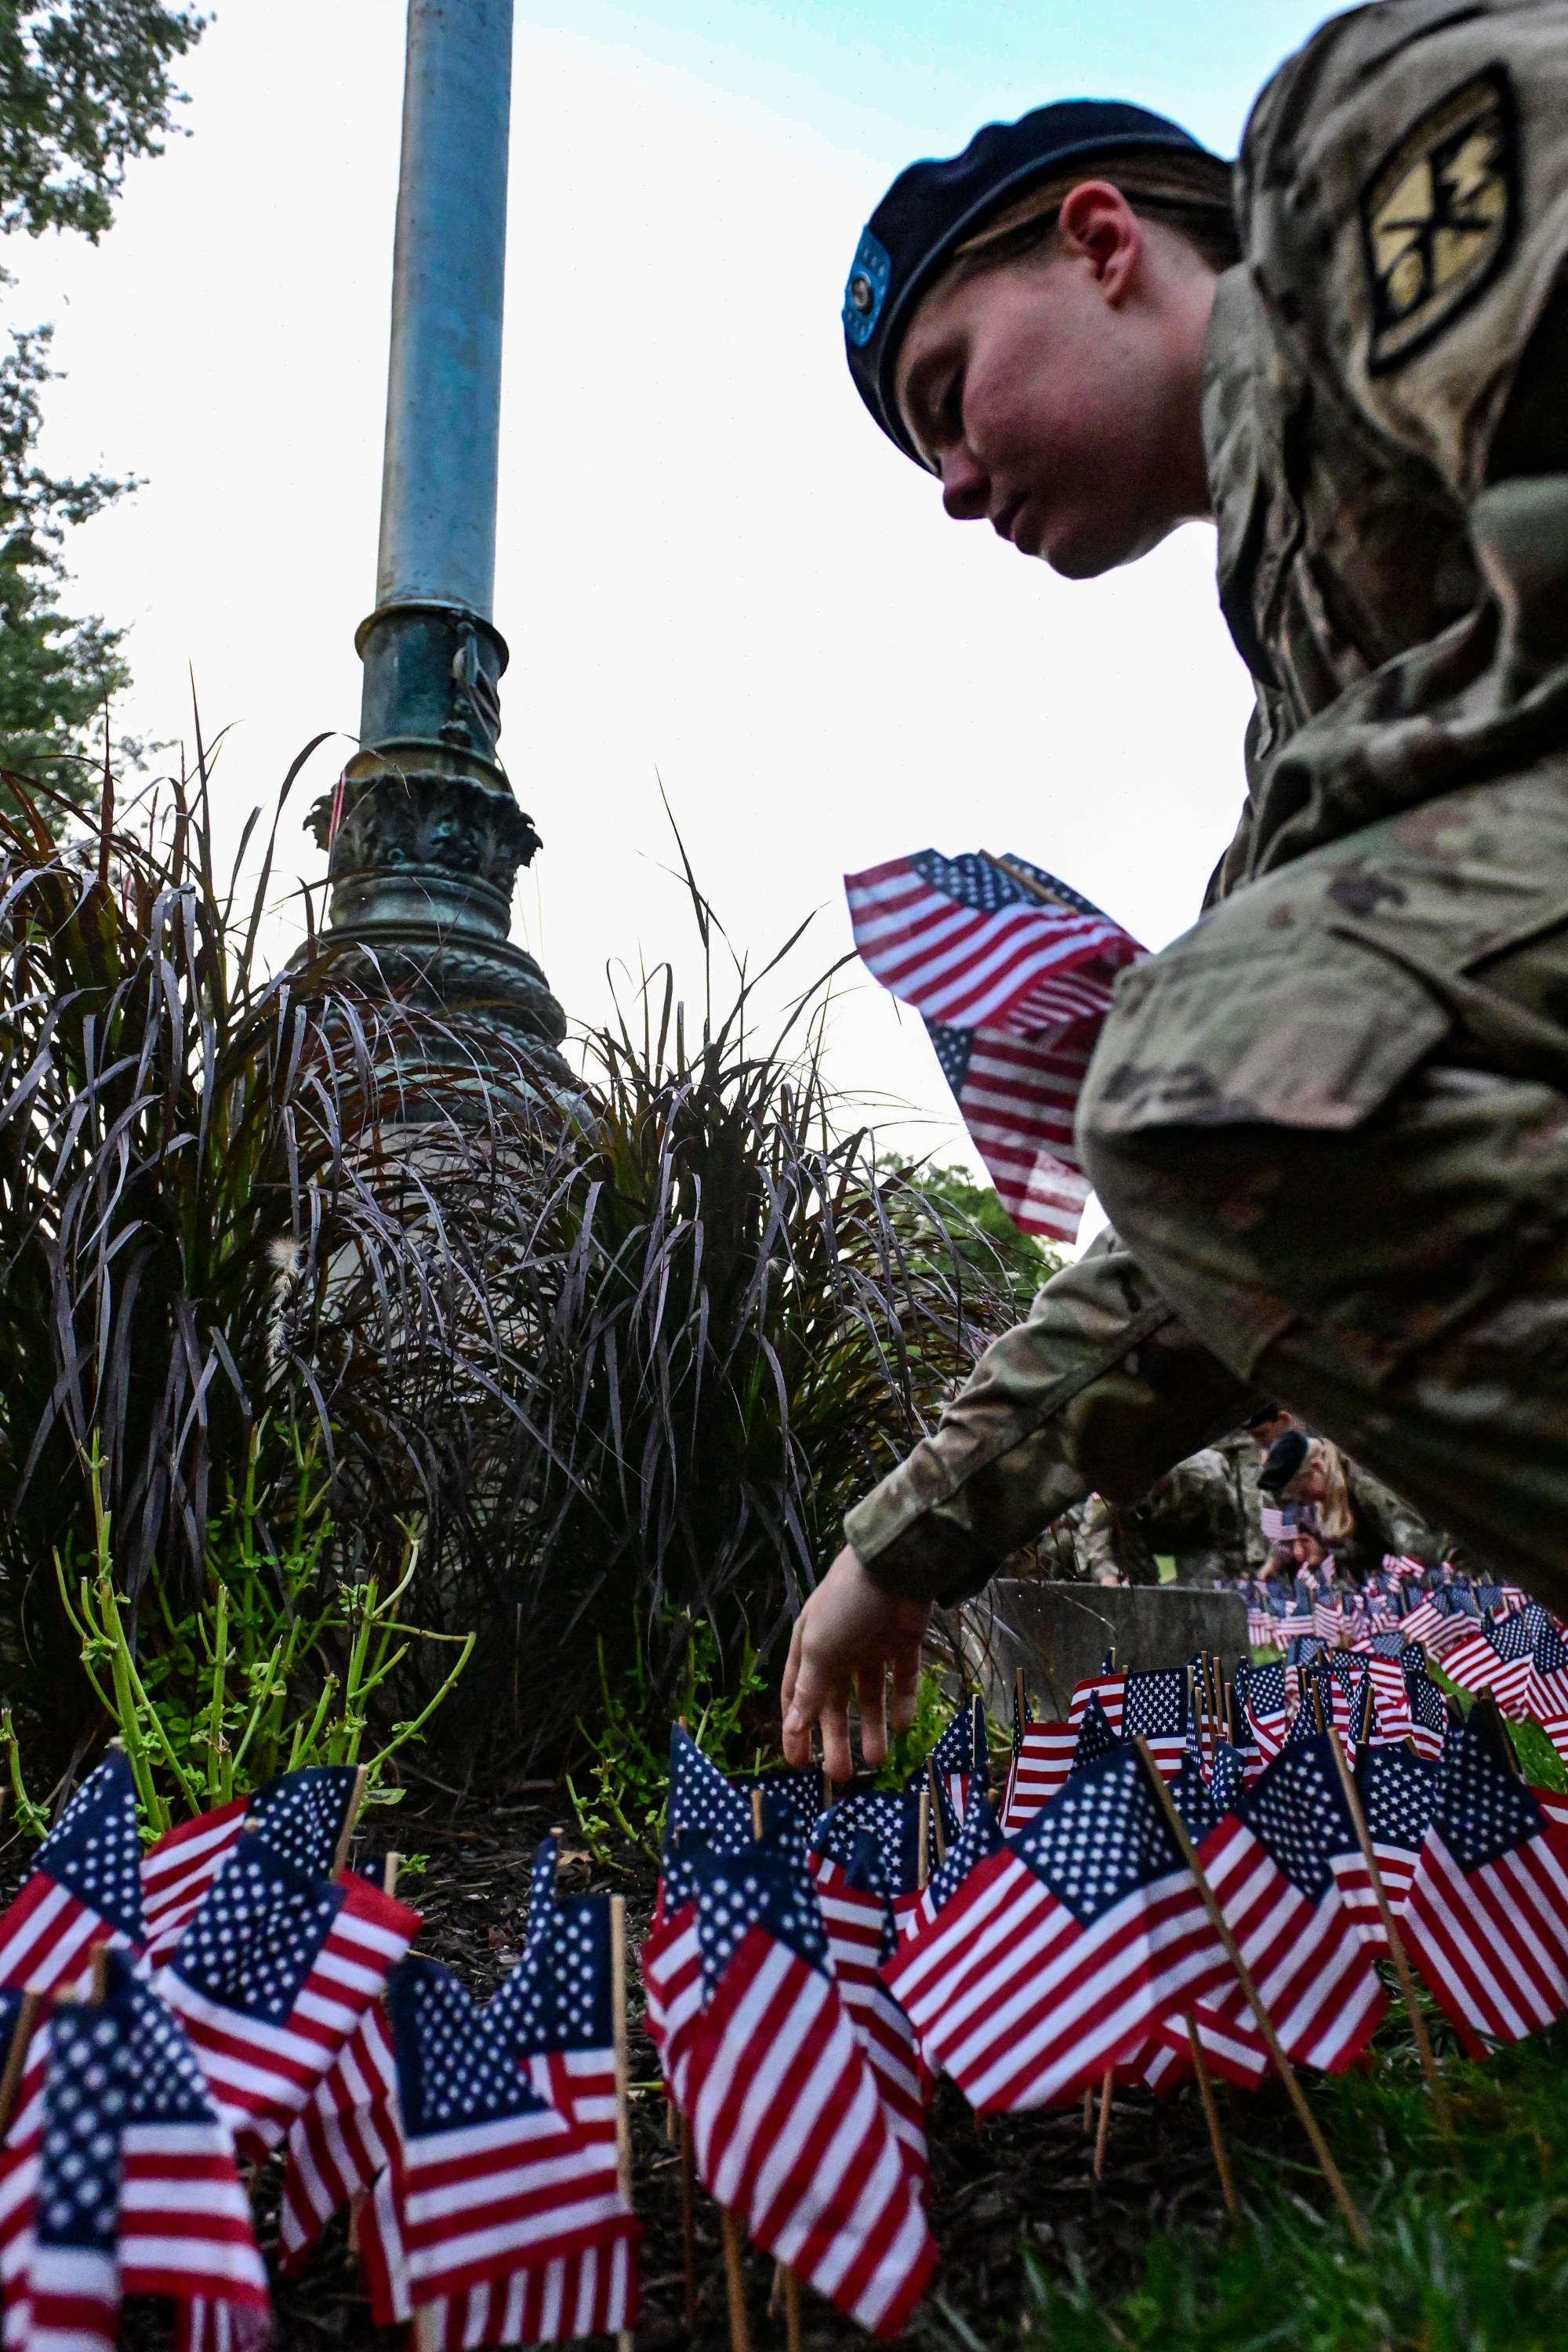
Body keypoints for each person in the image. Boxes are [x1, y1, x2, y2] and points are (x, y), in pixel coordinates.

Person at [782, 0, 1568, 1782]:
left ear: (1101, 242)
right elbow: (1213, 1199)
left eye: (947, 395)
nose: (957, 488)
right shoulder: (1307, 696)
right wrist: (901, 1540)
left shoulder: (1351, 145)